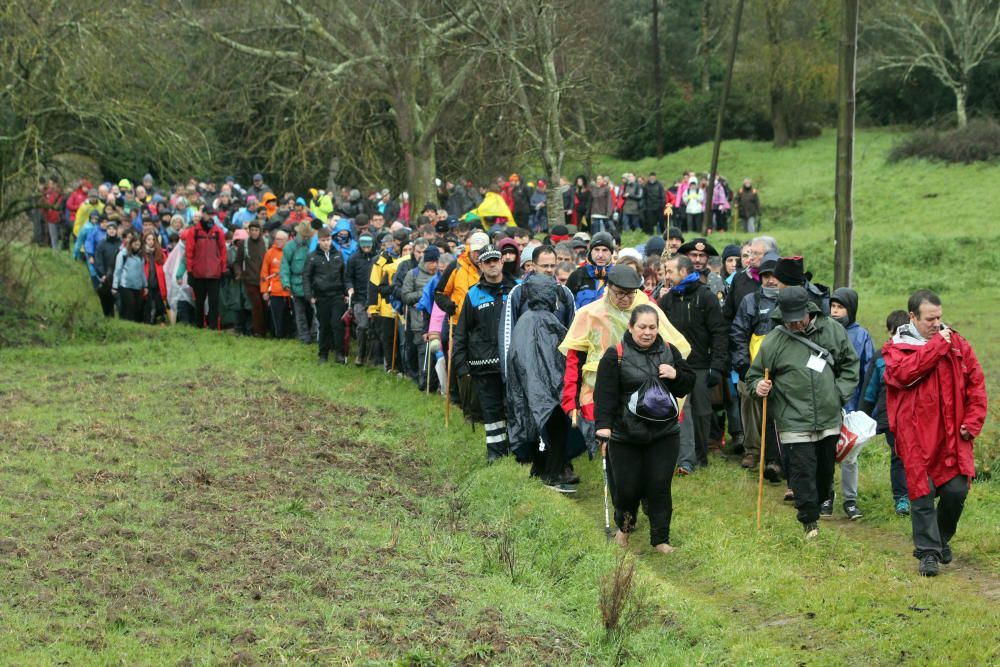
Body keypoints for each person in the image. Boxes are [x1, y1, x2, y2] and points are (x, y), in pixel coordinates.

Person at [883, 290, 987, 577]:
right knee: (922, 494)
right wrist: (937, 347)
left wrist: (973, 421)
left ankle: (940, 541)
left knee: (956, 492)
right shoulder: (896, 348)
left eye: (939, 317)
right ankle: (928, 554)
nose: (936, 324)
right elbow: (903, 375)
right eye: (930, 319)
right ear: (913, 317)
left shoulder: (958, 345)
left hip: (953, 435)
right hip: (915, 436)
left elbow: (976, 385)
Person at [746, 287, 859, 539]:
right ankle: (810, 523)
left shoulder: (832, 330)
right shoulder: (774, 340)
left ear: (809, 310)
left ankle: (819, 500)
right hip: (792, 419)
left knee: (823, 475)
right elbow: (754, 376)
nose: (795, 323)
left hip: (829, 418)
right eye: (790, 319)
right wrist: (759, 387)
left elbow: (850, 363)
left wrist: (839, 393)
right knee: (801, 473)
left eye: (799, 317)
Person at [594, 304, 695, 552]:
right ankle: (624, 530)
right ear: (631, 327)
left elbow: (686, 385)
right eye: (642, 327)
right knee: (627, 488)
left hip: (664, 434)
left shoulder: (670, 352)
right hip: (626, 434)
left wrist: (675, 375)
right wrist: (603, 428)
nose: (647, 332)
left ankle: (661, 539)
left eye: (652, 327)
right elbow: (605, 395)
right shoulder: (615, 355)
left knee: (659, 486)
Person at [560, 265, 690, 455]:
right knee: (607, 440)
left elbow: (671, 349)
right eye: (619, 293)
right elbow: (574, 359)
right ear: (608, 287)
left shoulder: (647, 310)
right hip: (599, 387)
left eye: (630, 294)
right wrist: (570, 398)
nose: (625, 299)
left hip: (639, 386)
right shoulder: (590, 314)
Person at [657, 254, 728, 475]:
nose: (666, 276)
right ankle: (685, 460)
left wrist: (717, 365)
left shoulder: (705, 297)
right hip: (676, 367)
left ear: (684, 272)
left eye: (669, 272)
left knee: (702, 412)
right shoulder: (667, 300)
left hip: (701, 365)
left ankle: (701, 454)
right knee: (682, 412)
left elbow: (719, 333)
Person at [452, 245, 519, 461]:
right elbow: (461, 333)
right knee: (491, 412)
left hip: (513, 364)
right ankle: (496, 455)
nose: (492, 264)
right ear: (480, 265)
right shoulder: (473, 294)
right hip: (484, 365)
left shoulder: (517, 289)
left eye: (495, 260)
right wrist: (462, 367)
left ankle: (518, 451)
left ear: (501, 262)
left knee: (514, 408)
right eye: (487, 261)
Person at [823, 288, 875, 520]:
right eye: (833, 306)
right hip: (826, 402)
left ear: (851, 309)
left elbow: (868, 370)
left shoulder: (861, 335)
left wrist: (864, 405)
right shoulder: (822, 330)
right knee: (825, 450)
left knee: (850, 453)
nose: (835, 312)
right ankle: (826, 495)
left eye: (840, 307)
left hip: (852, 404)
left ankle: (850, 500)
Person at [860, 310, 911, 516]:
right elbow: (870, 390)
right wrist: (862, 416)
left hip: (916, 417)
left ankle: (921, 493)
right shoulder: (881, 356)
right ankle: (902, 499)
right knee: (899, 455)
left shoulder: (922, 353)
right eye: (892, 334)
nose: (895, 339)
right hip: (890, 417)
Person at [304, 228, 348, 364]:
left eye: (328, 240)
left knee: (338, 324)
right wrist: (309, 295)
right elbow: (306, 276)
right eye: (323, 240)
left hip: (337, 295)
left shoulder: (338, 255)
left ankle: (339, 353)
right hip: (321, 296)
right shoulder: (312, 257)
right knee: (323, 326)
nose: (326, 243)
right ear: (318, 241)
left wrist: (346, 293)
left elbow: (344, 275)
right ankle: (323, 354)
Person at [401, 244, 441, 390]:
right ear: (425, 261)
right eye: (432, 262)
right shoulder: (413, 274)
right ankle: (423, 381)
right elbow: (405, 296)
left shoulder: (441, 275)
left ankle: (436, 384)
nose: (434, 265)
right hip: (419, 321)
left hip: (438, 321)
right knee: (423, 353)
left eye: (437, 261)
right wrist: (424, 294)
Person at [184, 210, 227, 329]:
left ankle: (213, 326)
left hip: (214, 274)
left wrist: (223, 271)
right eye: (206, 213)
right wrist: (190, 272)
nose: (208, 216)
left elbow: (223, 252)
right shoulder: (194, 232)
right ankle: (199, 326)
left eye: (211, 214)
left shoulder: (218, 232)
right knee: (199, 302)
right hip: (198, 274)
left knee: (214, 303)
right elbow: (189, 252)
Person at [281, 222, 316, 344]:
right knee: (299, 313)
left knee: (315, 311)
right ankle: (303, 336)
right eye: (304, 235)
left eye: (308, 235)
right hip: (296, 283)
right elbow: (285, 266)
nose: (306, 237)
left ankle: (315, 334)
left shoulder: (314, 244)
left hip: (312, 284)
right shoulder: (289, 247)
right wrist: (286, 283)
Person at [346, 233, 379, 365]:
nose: (366, 247)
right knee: (363, 326)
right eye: (363, 244)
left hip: (375, 298)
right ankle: (360, 354)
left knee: (375, 329)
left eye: (368, 245)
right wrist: (350, 288)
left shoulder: (378, 259)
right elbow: (348, 277)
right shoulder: (353, 259)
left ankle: (373, 357)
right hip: (359, 298)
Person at [234, 220, 268, 336]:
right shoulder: (243, 244)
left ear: (260, 231)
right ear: (248, 231)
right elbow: (237, 262)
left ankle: (265, 330)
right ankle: (258, 331)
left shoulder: (266, 243)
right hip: (250, 280)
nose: (254, 232)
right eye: (252, 230)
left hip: (264, 280)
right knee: (256, 305)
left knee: (265, 305)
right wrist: (239, 273)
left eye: (256, 230)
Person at [565, 232, 615, 310]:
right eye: (596, 250)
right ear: (591, 252)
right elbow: (565, 307)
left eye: (605, 250)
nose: (600, 255)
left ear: (611, 253)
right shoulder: (577, 275)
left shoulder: (617, 276)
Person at [260, 230, 292, 338]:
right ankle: (277, 336)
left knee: (288, 316)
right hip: (275, 291)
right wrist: (264, 291)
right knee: (276, 316)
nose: (276, 241)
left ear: (286, 240)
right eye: (276, 239)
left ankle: (288, 335)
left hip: (289, 291)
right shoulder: (269, 253)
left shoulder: (290, 251)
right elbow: (264, 273)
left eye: (280, 239)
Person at [113, 234, 147, 322]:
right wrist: (115, 286)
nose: (137, 247)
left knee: (137, 308)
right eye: (135, 244)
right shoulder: (123, 254)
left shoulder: (141, 257)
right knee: (129, 307)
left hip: (137, 286)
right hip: (125, 285)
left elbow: (142, 272)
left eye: (139, 245)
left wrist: (145, 285)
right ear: (131, 244)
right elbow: (118, 270)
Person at [94, 221, 121, 317]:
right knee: (107, 299)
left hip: (120, 276)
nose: (112, 231)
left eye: (114, 229)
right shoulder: (102, 244)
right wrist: (102, 274)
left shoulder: (121, 243)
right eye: (109, 229)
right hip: (107, 276)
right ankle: (109, 317)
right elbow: (98, 260)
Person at [142, 231, 168, 325]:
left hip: (158, 284)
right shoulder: (142, 254)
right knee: (148, 305)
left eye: (153, 239)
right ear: (144, 241)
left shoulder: (161, 254)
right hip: (146, 284)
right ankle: (149, 322)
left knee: (160, 304)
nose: (151, 241)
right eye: (148, 239)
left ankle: (161, 321)